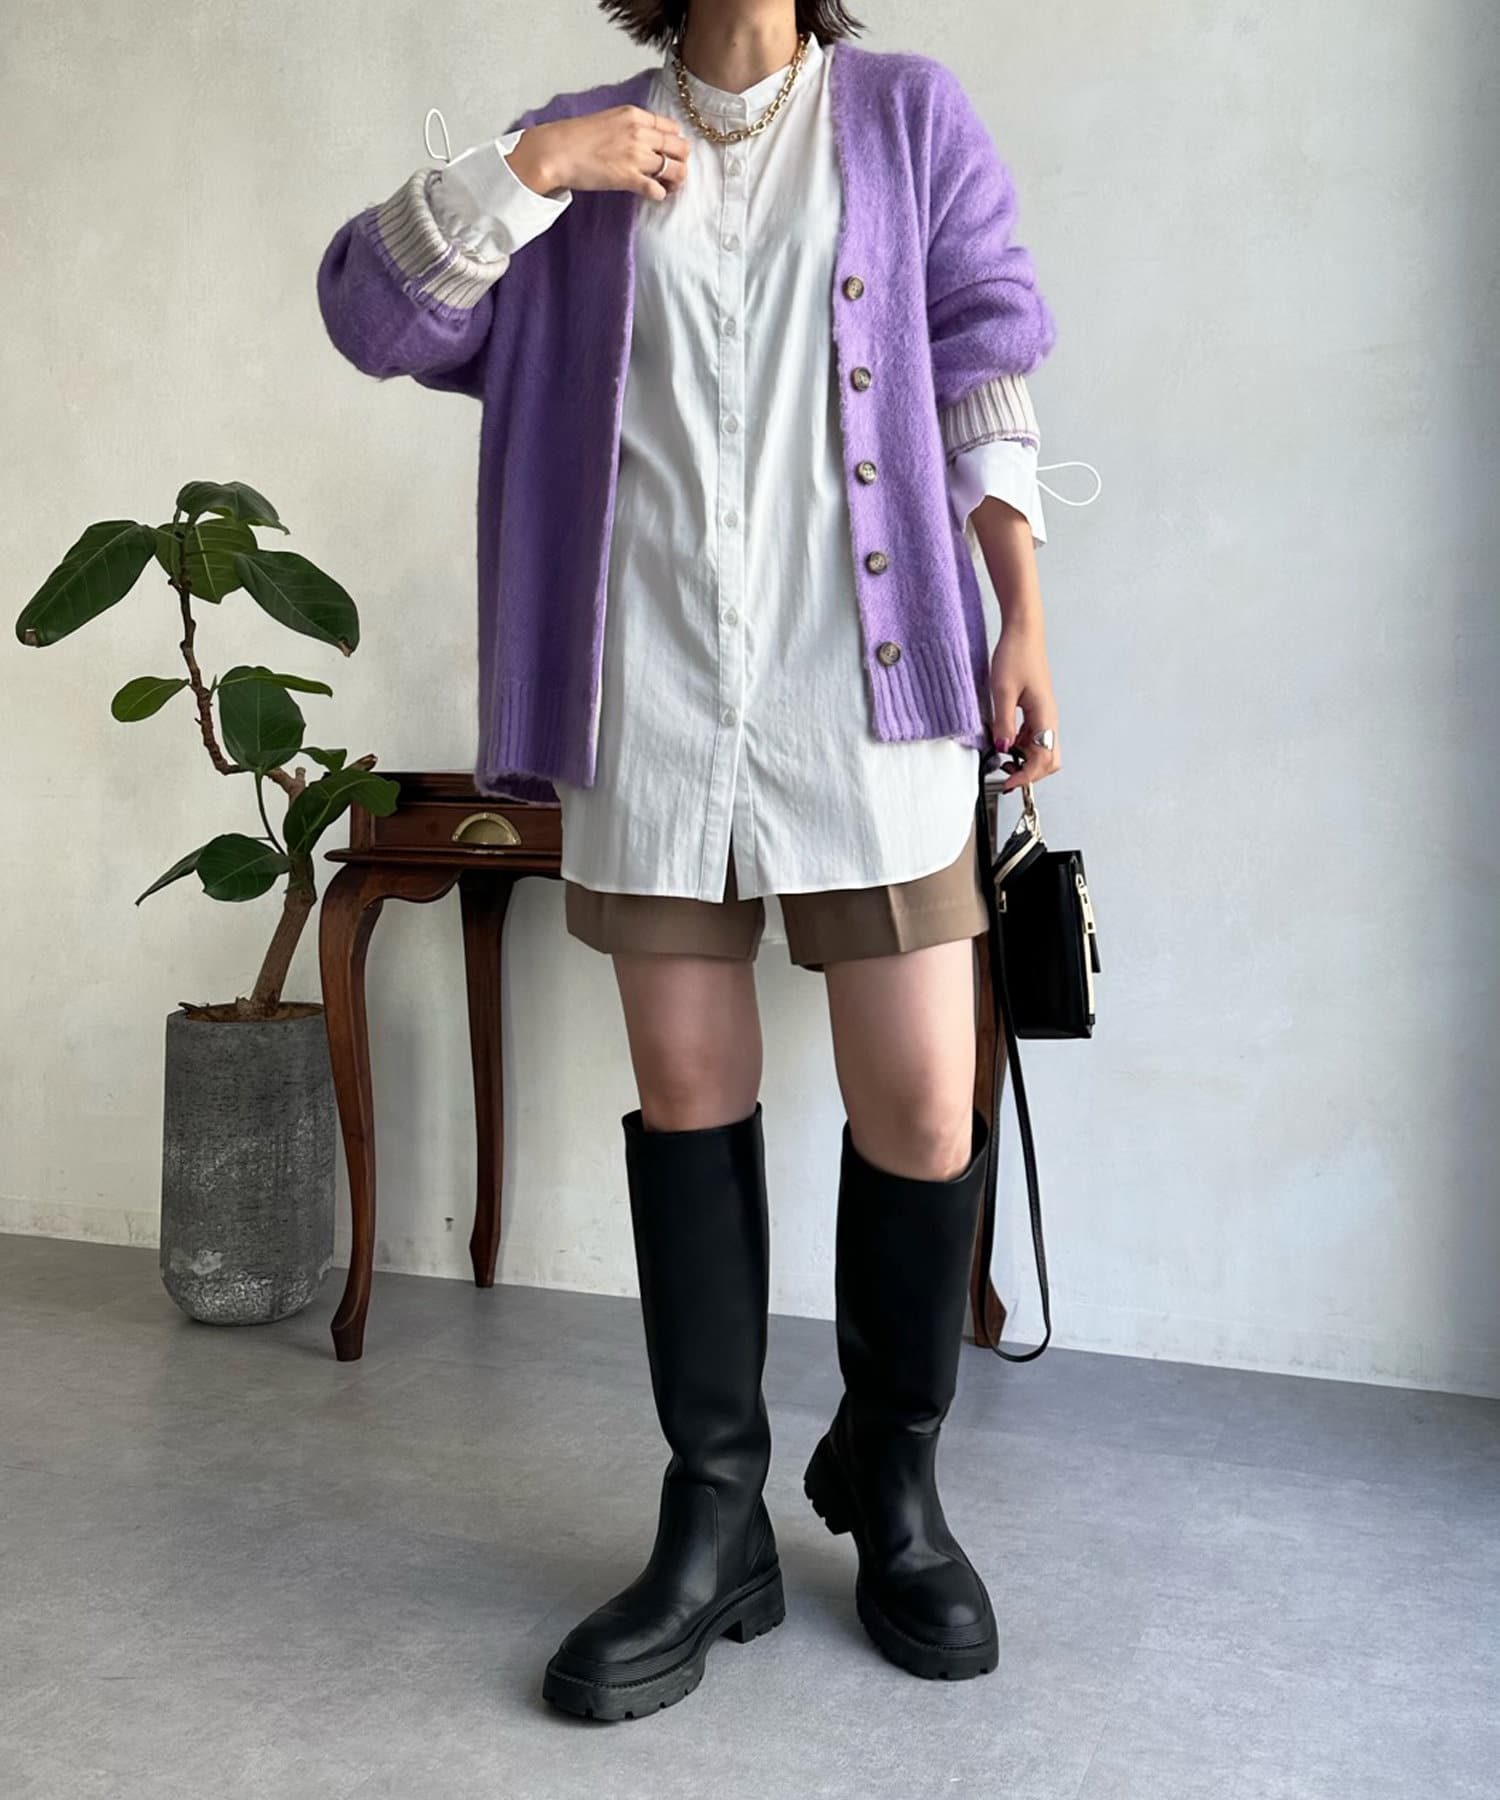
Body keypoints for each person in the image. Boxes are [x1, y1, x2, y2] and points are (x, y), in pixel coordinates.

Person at [317, 0, 1060, 1723]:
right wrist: (531, 170)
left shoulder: (904, 115)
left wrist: (1023, 608)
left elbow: (984, 362)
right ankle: (714, 1513)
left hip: (870, 690)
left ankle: (892, 1477)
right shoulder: (576, 139)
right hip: (652, 693)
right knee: (690, 1096)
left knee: (925, 1106)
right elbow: (369, 313)